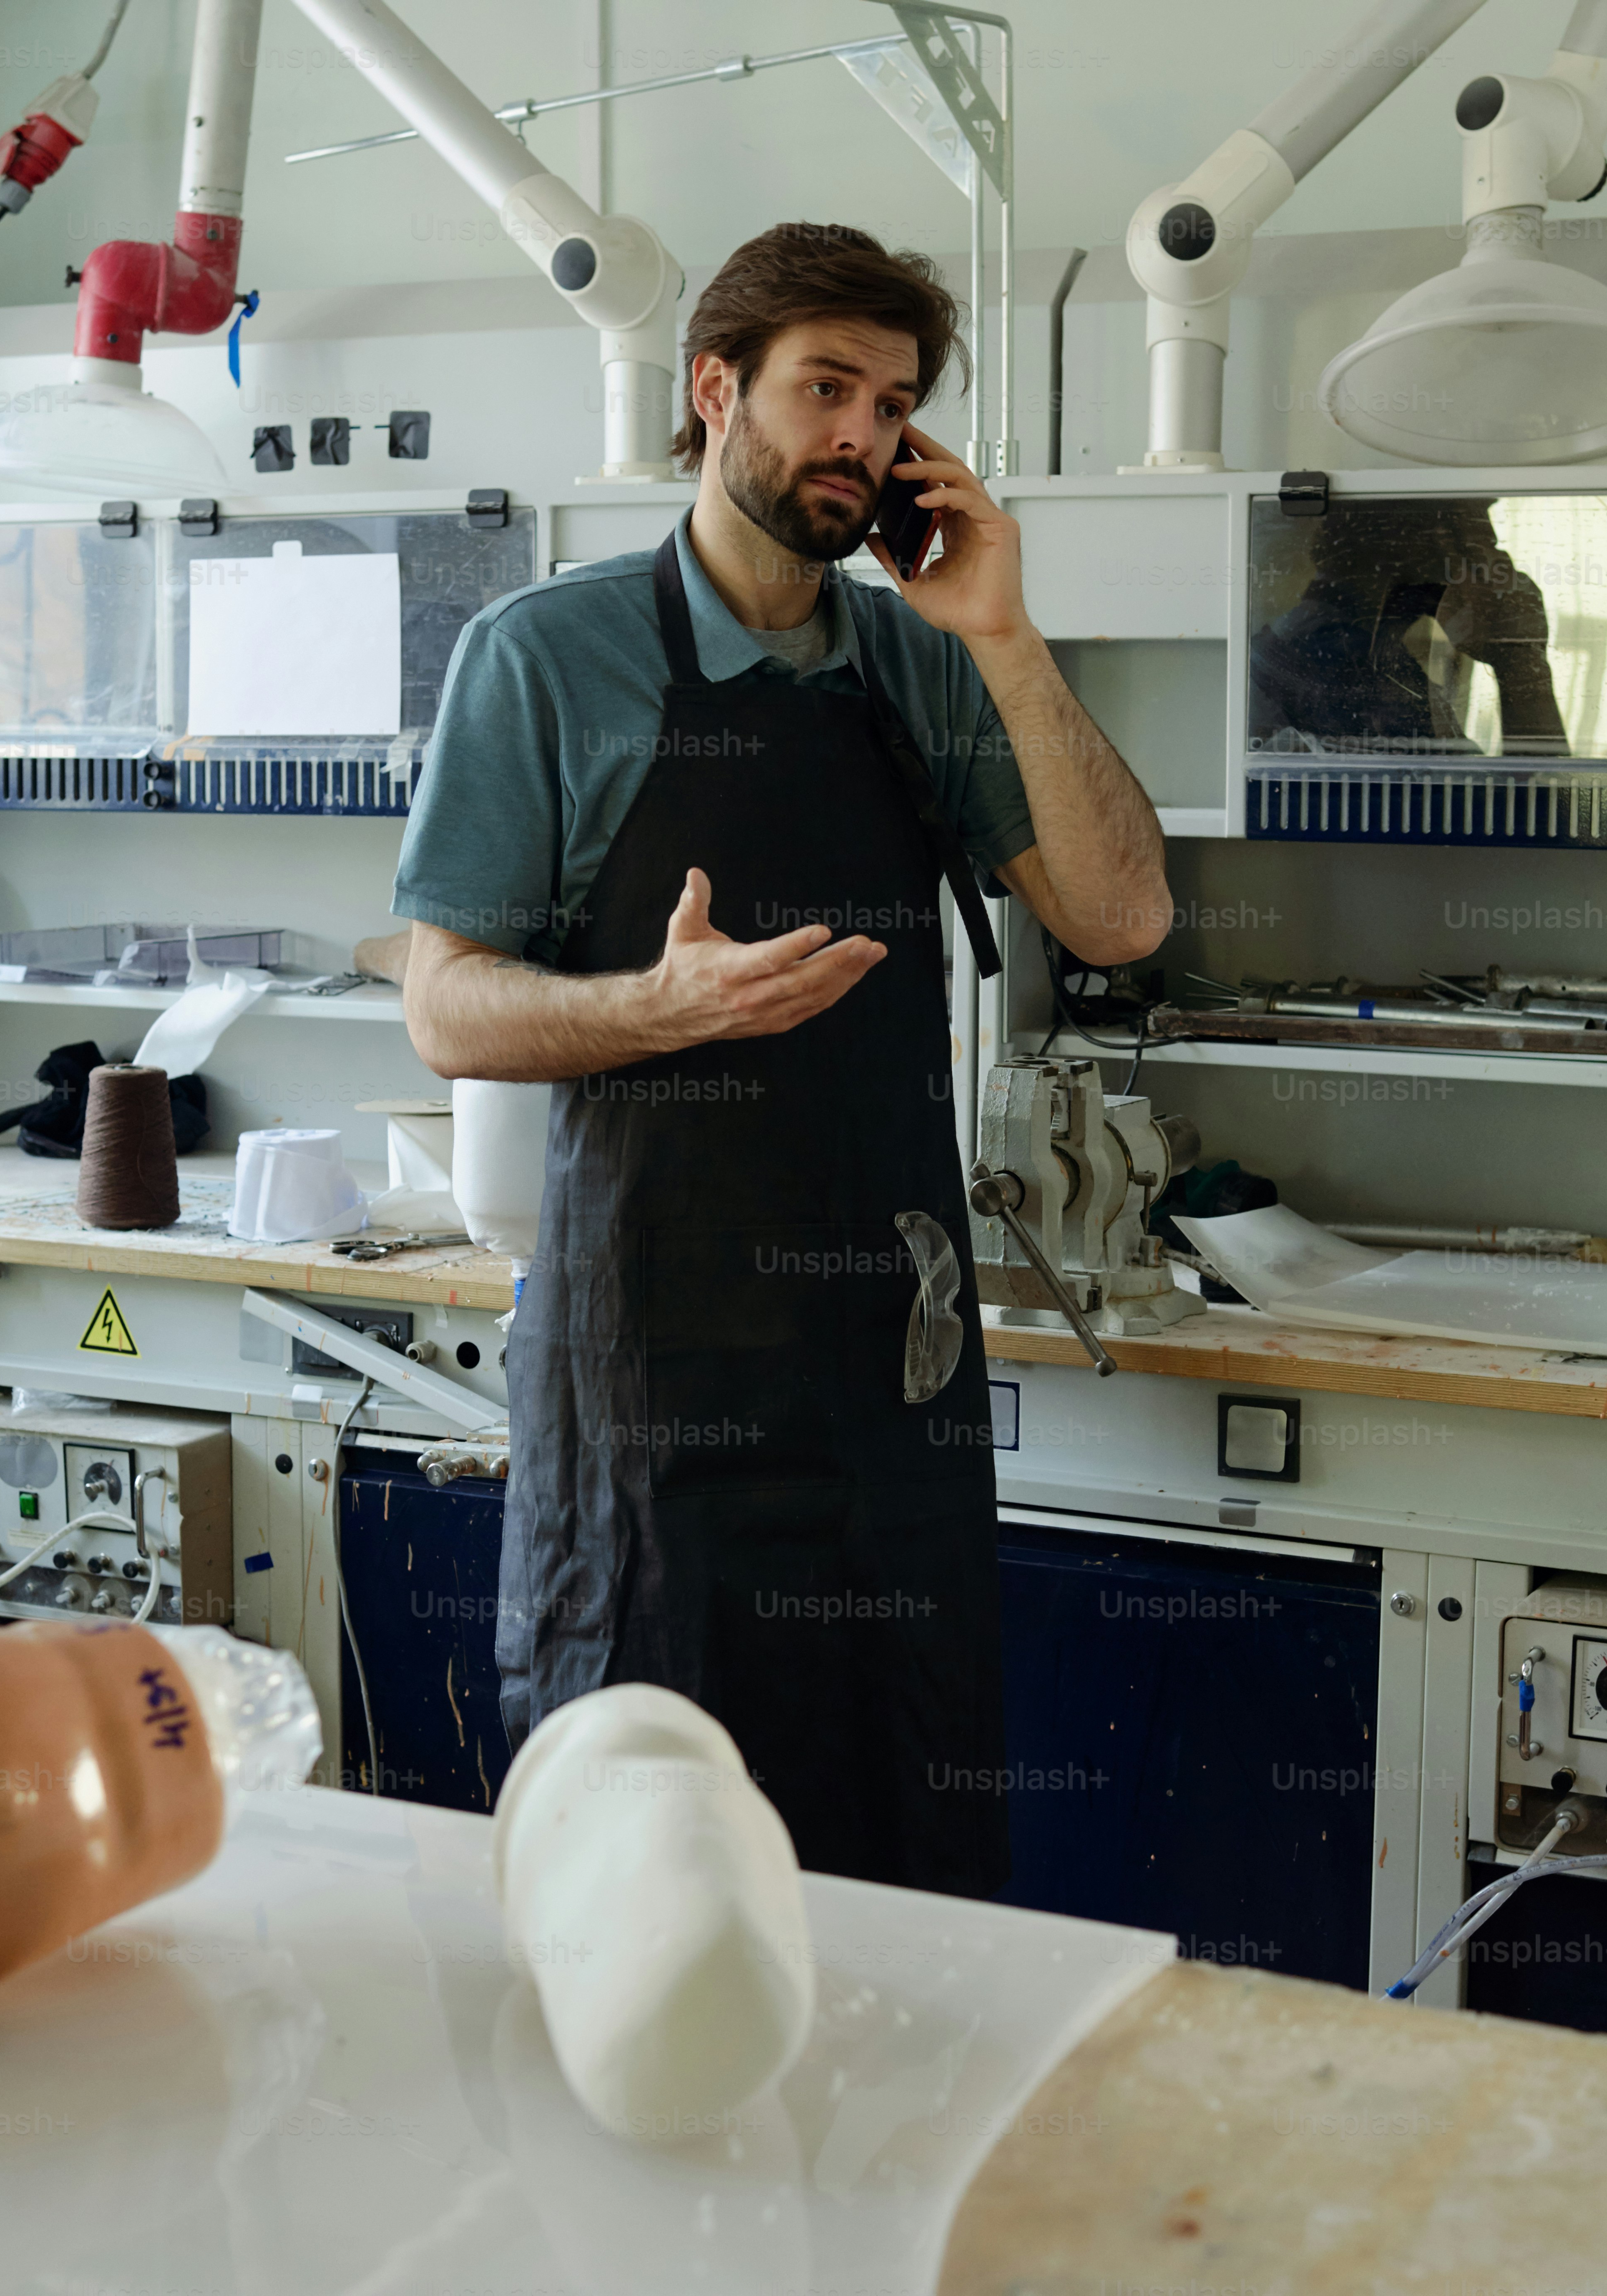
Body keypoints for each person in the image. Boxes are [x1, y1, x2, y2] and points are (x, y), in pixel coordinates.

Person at [387, 222, 1170, 1897]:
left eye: (893, 406)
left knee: (910, 1868)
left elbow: (1120, 916)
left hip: (894, 1388)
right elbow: (446, 1005)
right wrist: (649, 1012)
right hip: (655, 1397)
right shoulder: (545, 657)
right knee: (654, 1876)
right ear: (714, 390)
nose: (862, 439)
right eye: (826, 389)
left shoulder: (921, 667)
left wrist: (1008, 638)